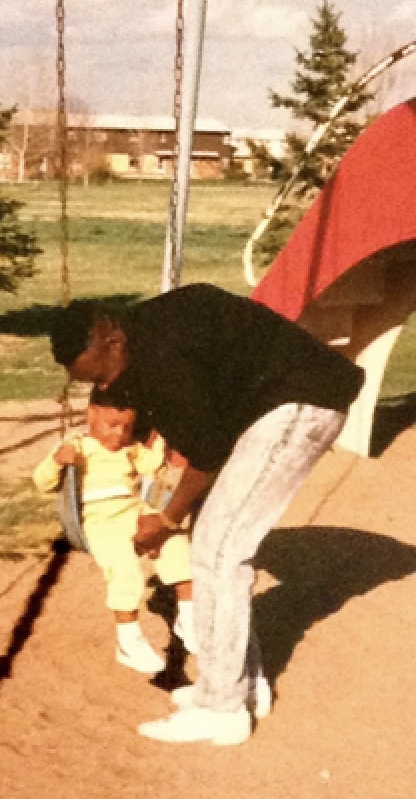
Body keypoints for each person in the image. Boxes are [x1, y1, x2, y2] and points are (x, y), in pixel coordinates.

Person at [49, 282, 364, 746]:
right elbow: (194, 430)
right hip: (272, 406)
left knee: (220, 550)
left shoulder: (162, 354)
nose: (105, 387)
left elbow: (208, 450)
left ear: (111, 340)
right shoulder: (142, 341)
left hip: (302, 402)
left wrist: (168, 517)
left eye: (103, 375)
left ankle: (224, 710)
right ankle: (240, 686)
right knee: (215, 546)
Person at [33, 392, 196, 676]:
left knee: (177, 546)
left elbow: (153, 468)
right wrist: (59, 462)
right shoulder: (78, 447)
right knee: (125, 568)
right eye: (112, 425)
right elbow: (42, 482)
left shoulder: (130, 449)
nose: (119, 434)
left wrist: (159, 442)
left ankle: (190, 617)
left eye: (127, 427)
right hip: (100, 520)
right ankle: (128, 640)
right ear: (91, 417)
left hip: (133, 510)